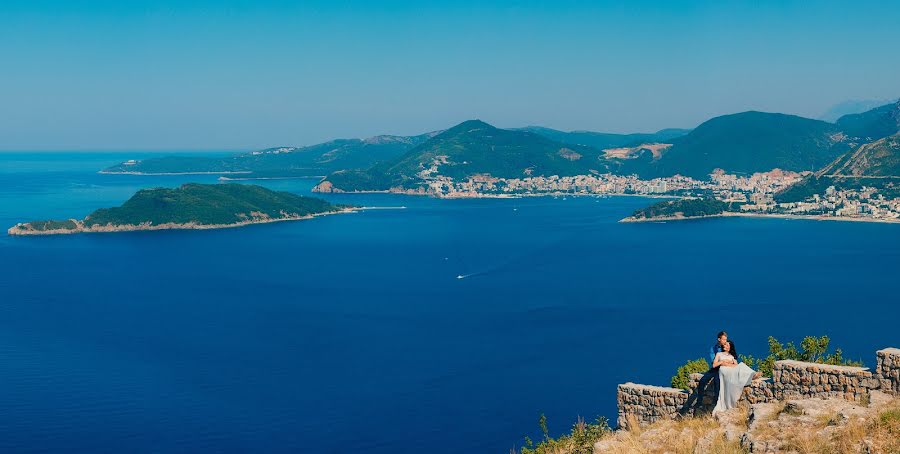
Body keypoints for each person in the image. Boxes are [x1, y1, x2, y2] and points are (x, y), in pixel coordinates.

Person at [712, 340, 762, 413]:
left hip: (731, 369)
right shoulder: (719, 354)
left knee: (741, 365)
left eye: (728, 345)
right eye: (725, 344)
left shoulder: (732, 356)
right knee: (739, 366)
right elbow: (714, 365)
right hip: (723, 371)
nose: (725, 346)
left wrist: (728, 364)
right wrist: (722, 362)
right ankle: (752, 375)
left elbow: (737, 366)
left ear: (730, 348)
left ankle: (752, 375)